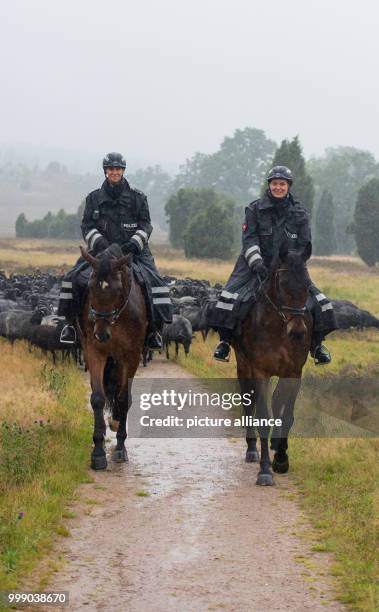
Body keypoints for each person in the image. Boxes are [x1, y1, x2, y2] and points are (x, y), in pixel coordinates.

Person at [210, 166, 337, 363]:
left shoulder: (300, 213)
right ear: (269, 185)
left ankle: (317, 345)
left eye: (282, 184)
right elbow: (249, 240)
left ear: (288, 186)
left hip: (289, 266)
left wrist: (291, 262)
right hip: (255, 264)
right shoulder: (254, 209)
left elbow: (304, 243)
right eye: (275, 183)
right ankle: (225, 342)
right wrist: (258, 263)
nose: (278, 187)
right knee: (229, 297)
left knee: (322, 303)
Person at [58, 152, 172, 348]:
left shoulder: (138, 197)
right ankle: (70, 325)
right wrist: (100, 243)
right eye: (111, 169)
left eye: (118, 169)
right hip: (100, 252)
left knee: (156, 282)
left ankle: (154, 330)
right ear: (105, 171)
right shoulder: (93, 198)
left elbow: (146, 225)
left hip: (133, 251)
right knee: (71, 278)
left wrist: (132, 244)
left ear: (123, 171)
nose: (115, 172)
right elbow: (86, 226)